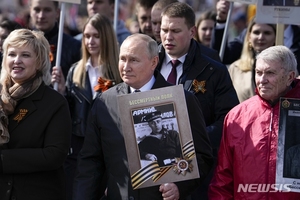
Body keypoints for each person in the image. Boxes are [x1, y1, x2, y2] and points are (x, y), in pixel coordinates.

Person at [73, 33, 214, 200]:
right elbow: (90, 161)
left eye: (133, 60)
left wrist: (179, 187)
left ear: (154, 62)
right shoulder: (104, 103)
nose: (126, 67)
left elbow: (202, 156)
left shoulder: (182, 100)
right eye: (122, 59)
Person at [157, 2, 239, 199]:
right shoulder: (146, 63)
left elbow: (229, 120)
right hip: (153, 168)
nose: (168, 37)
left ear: (192, 31)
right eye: (164, 30)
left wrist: (189, 140)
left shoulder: (213, 70)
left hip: (197, 171)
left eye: (176, 31)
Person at [209, 45, 300, 199]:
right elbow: (223, 176)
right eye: (258, 73)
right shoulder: (237, 116)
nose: (262, 80)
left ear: (290, 77)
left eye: (270, 73)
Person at [51, 13, 122, 200]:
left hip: (109, 149)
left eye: (96, 36)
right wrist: (61, 91)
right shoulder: (76, 70)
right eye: (87, 35)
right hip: (79, 148)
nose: (91, 41)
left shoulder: (119, 71)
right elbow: (68, 111)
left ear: (106, 37)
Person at [0, 29, 71, 200]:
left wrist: (3, 160)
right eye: (11, 54)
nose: (17, 61)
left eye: (25, 55)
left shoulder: (54, 103)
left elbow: (55, 155)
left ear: (39, 61)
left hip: (37, 192)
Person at [29, 0, 81, 79]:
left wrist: (64, 89)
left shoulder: (74, 46)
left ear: (57, 12)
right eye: (37, 10)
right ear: (30, 11)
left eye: (47, 10)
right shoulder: (24, 44)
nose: (41, 16)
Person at [228, 18, 276, 102]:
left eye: (267, 33)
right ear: (249, 37)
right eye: (256, 32)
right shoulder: (235, 68)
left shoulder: (286, 68)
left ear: (276, 37)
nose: (261, 37)